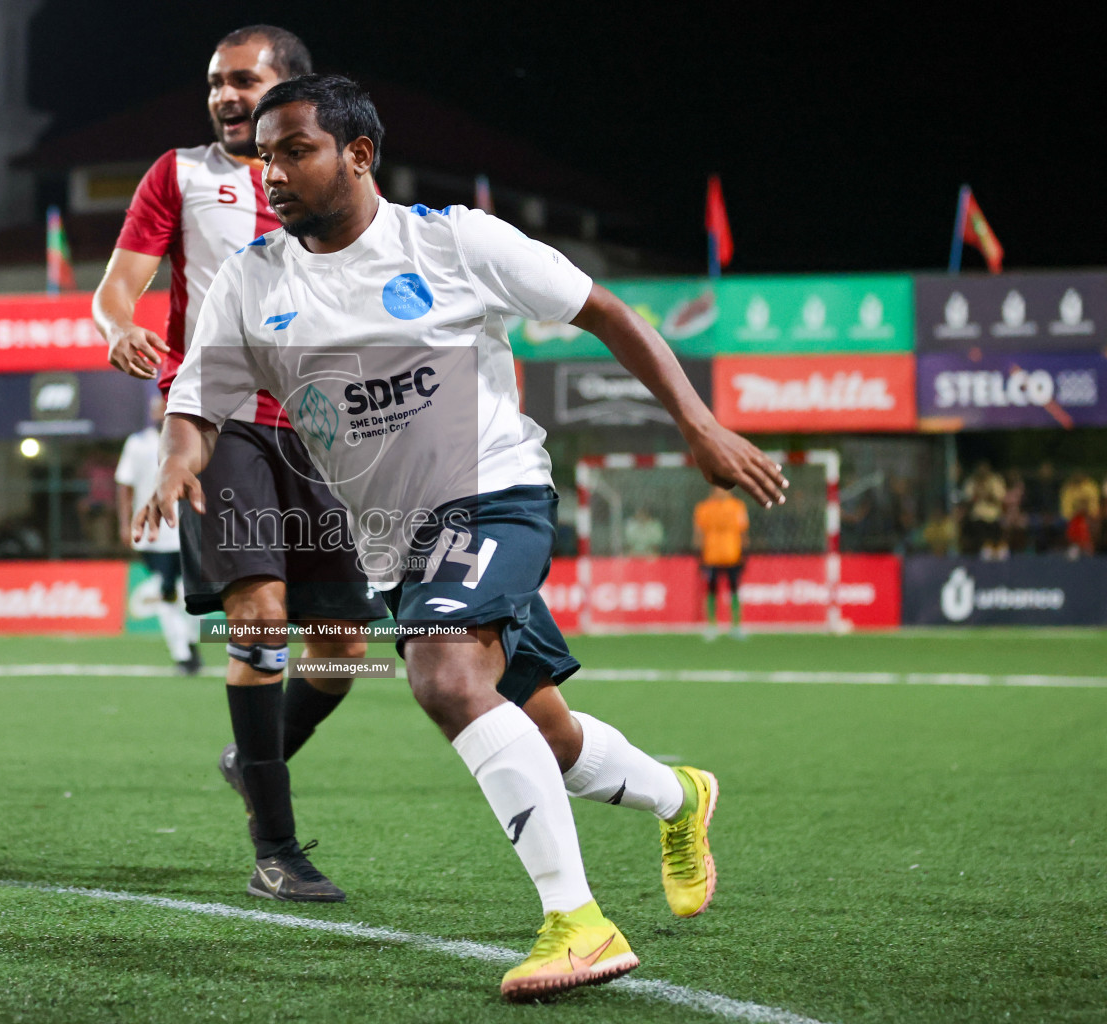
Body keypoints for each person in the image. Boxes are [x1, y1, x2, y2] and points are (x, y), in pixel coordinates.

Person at [136, 75, 789, 999]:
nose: (271, 173)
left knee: (442, 674)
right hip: (396, 545)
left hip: (493, 496)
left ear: (358, 154)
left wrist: (698, 425)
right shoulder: (253, 279)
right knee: (545, 733)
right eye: (263, 156)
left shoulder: (452, 241)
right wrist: (178, 460)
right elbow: (197, 402)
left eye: (294, 151)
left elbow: (604, 309)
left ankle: (578, 922)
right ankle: (682, 796)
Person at [94, 26, 386, 902]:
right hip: (217, 420)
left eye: (243, 81)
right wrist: (120, 328)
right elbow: (120, 283)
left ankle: (253, 757)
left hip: (326, 428)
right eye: (216, 83)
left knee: (339, 649)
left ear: (291, 91)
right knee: (258, 616)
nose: (224, 96)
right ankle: (276, 849)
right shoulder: (176, 177)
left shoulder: (329, 178)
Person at [116, 397, 201, 675]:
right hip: (155, 534)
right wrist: (125, 524)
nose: (159, 413)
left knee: (187, 594)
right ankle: (184, 654)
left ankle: (187, 646)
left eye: (164, 408)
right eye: (155, 409)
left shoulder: (189, 441)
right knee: (165, 591)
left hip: (187, 531)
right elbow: (124, 486)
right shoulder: (137, 444)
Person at [693, 486, 749, 640]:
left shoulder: (737, 506)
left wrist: (745, 553)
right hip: (711, 556)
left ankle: (736, 626)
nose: (721, 492)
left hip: (733, 555)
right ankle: (712, 626)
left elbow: (743, 531)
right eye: (718, 489)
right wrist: (699, 554)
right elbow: (699, 532)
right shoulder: (704, 508)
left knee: (735, 590)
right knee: (711, 590)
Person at [961, 462, 1005, 559]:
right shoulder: (972, 481)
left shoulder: (995, 481)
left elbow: (1000, 498)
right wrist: (977, 493)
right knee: (973, 527)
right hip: (977, 518)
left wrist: (987, 493)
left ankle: (995, 551)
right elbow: (968, 499)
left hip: (993, 517)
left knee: (997, 528)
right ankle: (983, 551)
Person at [1060, 470, 1100, 558]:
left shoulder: (1091, 487)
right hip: (1074, 517)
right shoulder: (1068, 488)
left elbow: (1094, 506)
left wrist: (1089, 513)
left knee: (1088, 524)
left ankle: (1087, 546)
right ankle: (1077, 547)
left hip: (1088, 516)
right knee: (1076, 523)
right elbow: (1066, 509)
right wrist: (1075, 514)